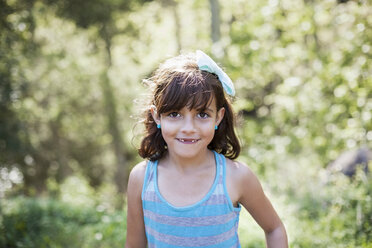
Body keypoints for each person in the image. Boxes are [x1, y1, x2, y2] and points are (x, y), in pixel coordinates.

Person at [125, 50, 288, 248]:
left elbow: (274, 229)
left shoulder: (236, 177)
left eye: (202, 114)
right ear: (157, 116)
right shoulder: (142, 179)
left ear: (218, 117)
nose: (188, 128)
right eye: (174, 114)